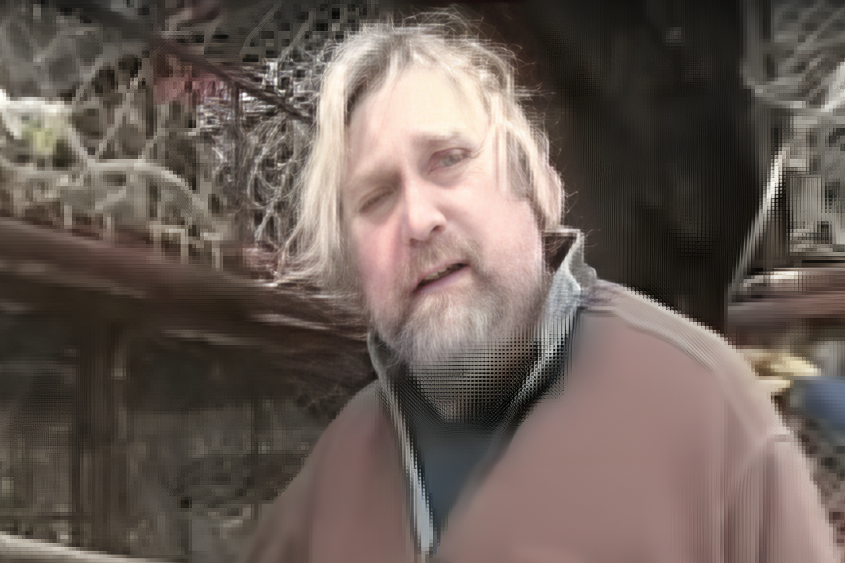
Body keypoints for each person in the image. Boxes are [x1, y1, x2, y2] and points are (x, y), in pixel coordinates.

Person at [241, 13, 839, 563]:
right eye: (375, 198)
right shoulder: (332, 476)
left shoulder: (706, 410)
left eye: (448, 159)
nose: (418, 219)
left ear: (534, 184)